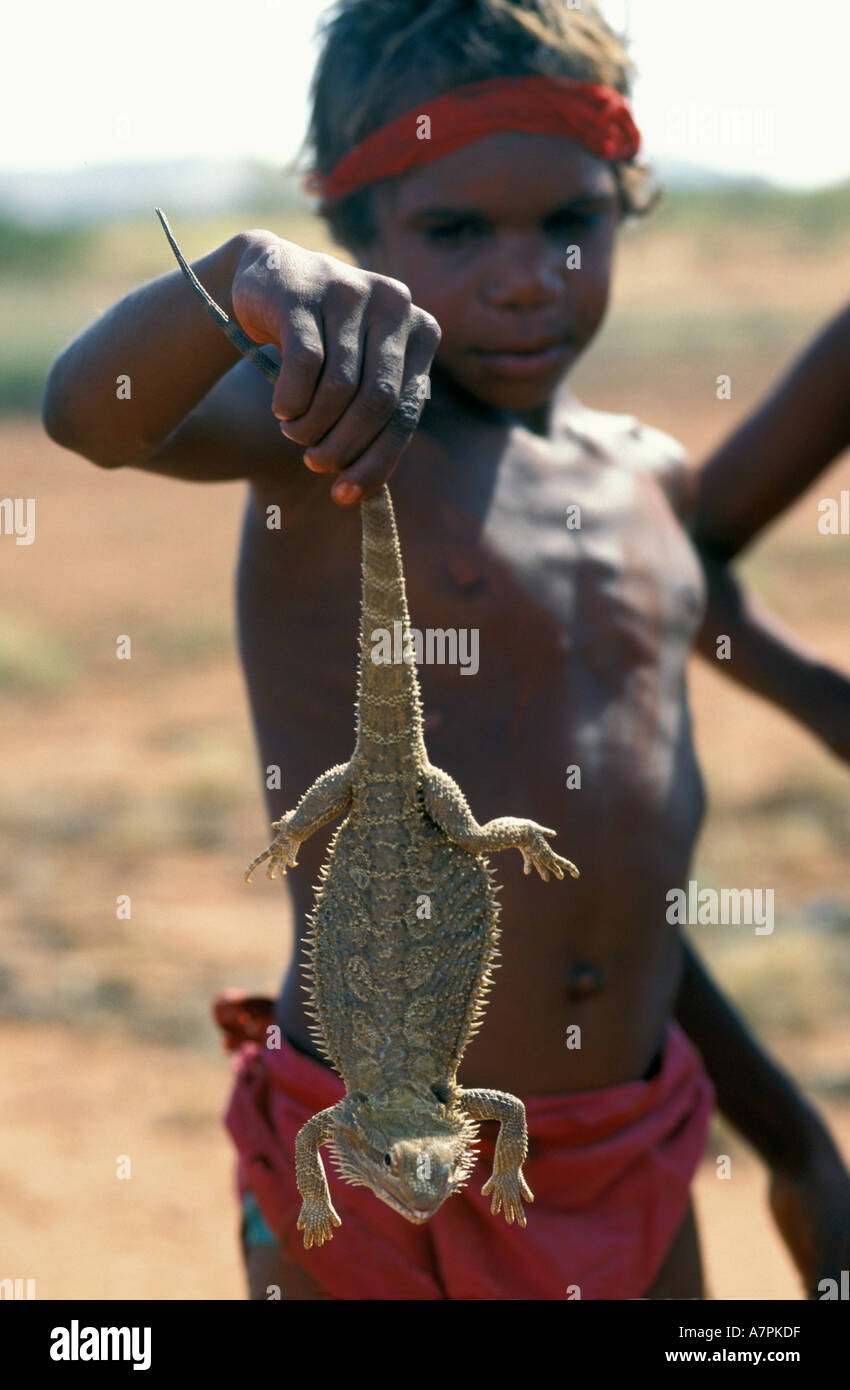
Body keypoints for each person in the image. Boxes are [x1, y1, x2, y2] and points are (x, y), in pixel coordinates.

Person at [42, 0, 850, 1300]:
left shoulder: (646, 484)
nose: (527, 274)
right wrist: (242, 277)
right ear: (353, 231)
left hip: (626, 1148)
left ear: (626, 204)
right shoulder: (339, 434)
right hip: (364, 1161)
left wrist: (796, 1141)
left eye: (569, 222)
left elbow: (630, 904)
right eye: (457, 231)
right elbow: (96, 415)